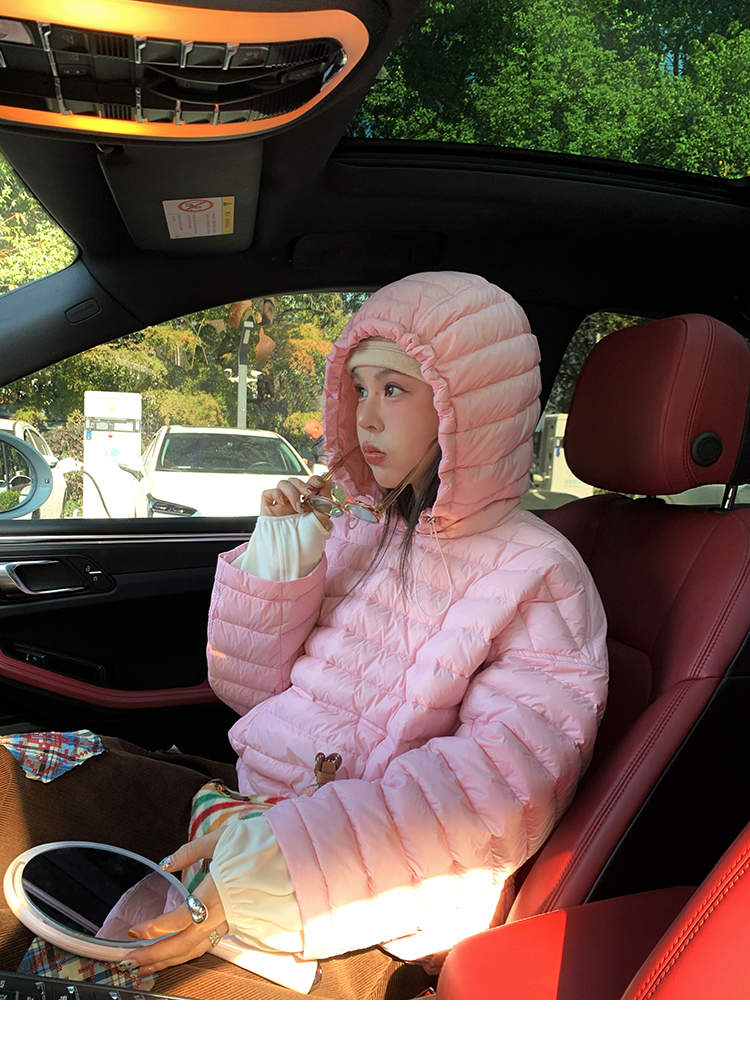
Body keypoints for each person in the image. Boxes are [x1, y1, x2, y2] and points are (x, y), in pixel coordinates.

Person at [0, 272, 608, 1000]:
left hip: (360, 898)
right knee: (20, 774)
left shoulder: (540, 576)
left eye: (394, 389)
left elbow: (486, 801)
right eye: (359, 387)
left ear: (466, 407)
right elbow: (248, 687)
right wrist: (282, 554)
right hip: (251, 806)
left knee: (100, 993)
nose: (364, 417)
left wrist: (270, 868)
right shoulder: (363, 527)